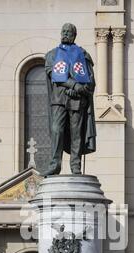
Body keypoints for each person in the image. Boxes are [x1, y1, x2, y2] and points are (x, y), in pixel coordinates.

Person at [44, 22, 96, 176]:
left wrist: (79, 91)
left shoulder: (83, 55)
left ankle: (75, 166)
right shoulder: (52, 55)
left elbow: (90, 81)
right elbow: (53, 74)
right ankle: (55, 164)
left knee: (76, 133)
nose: (66, 34)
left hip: (77, 100)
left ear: (74, 35)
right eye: (63, 31)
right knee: (56, 130)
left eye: (69, 32)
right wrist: (74, 86)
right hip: (58, 100)